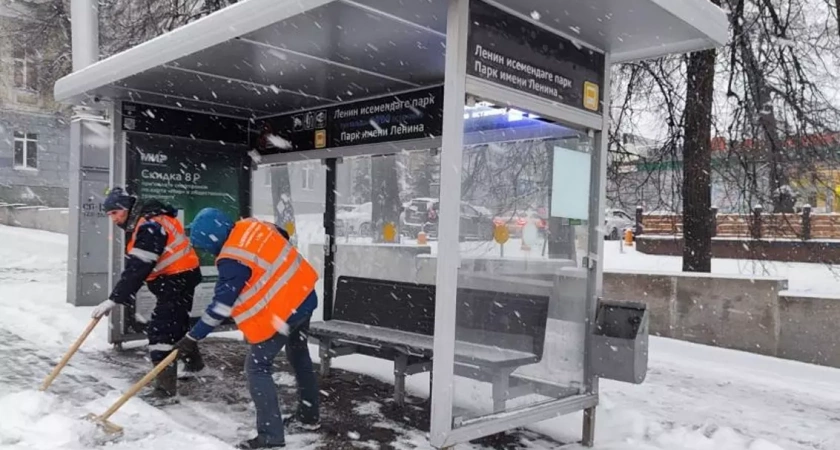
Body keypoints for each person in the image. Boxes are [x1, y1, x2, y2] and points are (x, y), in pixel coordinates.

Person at [174, 208, 320, 449]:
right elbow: (281, 236)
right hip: (304, 299)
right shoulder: (254, 226)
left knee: (256, 368)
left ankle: (271, 437)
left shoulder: (232, 259)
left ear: (214, 239)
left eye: (204, 247)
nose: (207, 253)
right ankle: (309, 415)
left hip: (283, 314)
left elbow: (221, 307)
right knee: (299, 355)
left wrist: (192, 337)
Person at [91, 187, 204, 402]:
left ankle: (165, 390)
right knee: (176, 324)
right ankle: (194, 365)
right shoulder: (153, 219)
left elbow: (139, 266)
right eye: (109, 215)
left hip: (176, 280)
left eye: (115, 213)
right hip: (181, 278)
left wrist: (115, 298)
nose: (113, 220)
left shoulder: (149, 226)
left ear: (125, 208)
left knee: (161, 332)